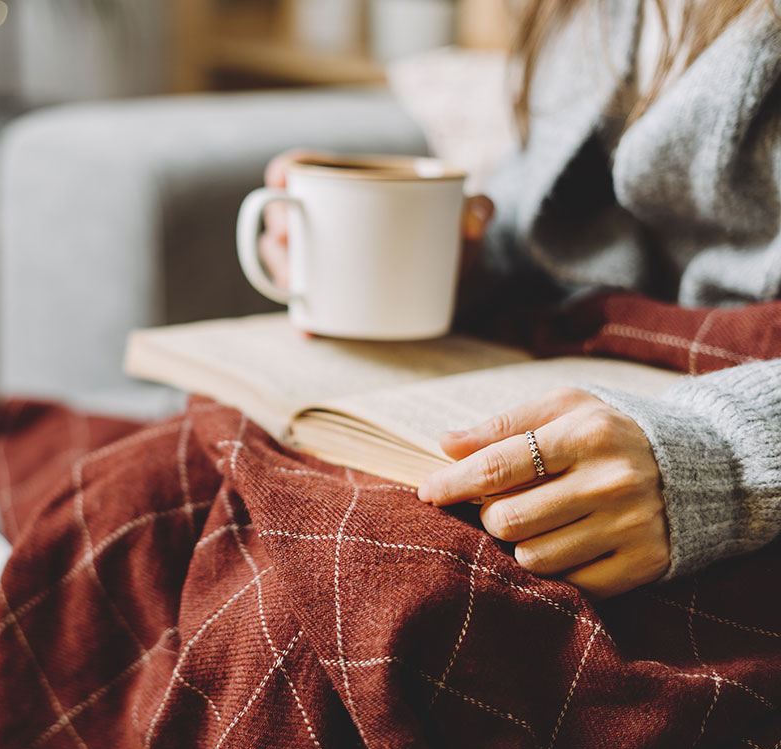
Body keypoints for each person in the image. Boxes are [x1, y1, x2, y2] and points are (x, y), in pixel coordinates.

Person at [257, 0, 781, 599]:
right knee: (204, 470)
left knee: (379, 581)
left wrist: (723, 463)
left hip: (724, 460)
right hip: (584, 352)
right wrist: (448, 258)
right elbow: (547, 225)